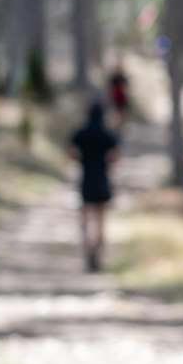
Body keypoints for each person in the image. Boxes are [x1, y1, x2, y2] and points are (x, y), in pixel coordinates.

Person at [68, 101, 120, 272]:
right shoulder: (108, 134)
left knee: (84, 219)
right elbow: (115, 157)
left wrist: (83, 160)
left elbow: (72, 153)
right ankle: (98, 253)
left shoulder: (80, 133)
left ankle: (87, 250)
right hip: (102, 180)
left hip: (86, 180)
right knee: (101, 221)